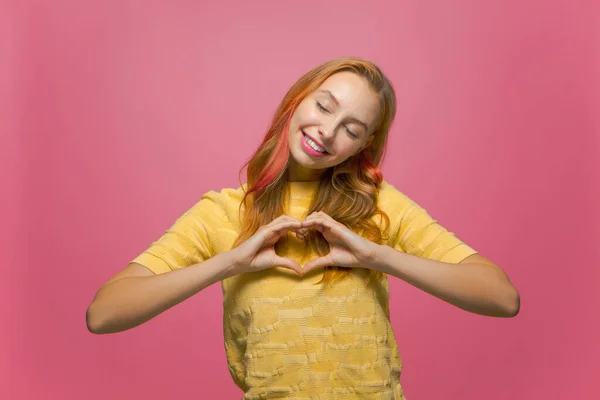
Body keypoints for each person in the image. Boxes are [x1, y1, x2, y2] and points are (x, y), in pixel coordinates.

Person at [86, 57, 520, 399]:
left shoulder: (380, 205)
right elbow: (103, 313)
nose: (327, 132)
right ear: (298, 98)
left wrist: (376, 256)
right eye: (324, 105)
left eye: (351, 128)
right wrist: (230, 263)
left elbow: (501, 297)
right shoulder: (222, 212)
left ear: (363, 145)